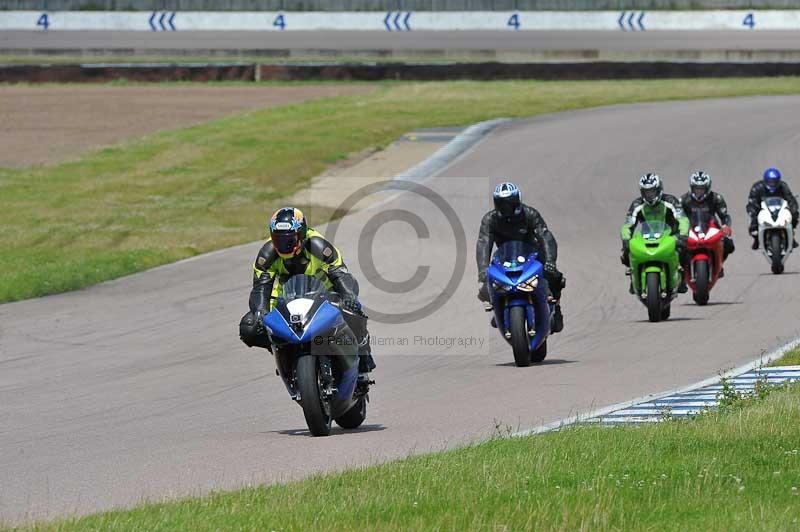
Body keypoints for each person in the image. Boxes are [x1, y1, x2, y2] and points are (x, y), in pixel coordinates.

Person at [238, 207, 376, 378]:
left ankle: (362, 357)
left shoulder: (319, 246)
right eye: (278, 240)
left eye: (288, 240)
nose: (283, 246)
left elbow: (340, 274)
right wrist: (260, 312)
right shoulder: (267, 254)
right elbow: (260, 288)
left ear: (301, 235)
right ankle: (283, 353)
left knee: (353, 311)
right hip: (285, 300)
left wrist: (348, 296)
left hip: (325, 296)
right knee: (250, 326)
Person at [476, 182, 565, 333]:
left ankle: (556, 307)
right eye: (501, 203)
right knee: (486, 286)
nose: (506, 207)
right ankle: (497, 306)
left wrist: (550, 261)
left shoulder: (530, 214)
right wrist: (482, 269)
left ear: (517, 200)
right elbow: (483, 243)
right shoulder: (490, 219)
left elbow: (546, 237)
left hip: (532, 255)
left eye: (509, 202)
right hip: (504, 258)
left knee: (554, 276)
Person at [620, 173, 690, 293]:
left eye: (652, 191)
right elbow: (628, 224)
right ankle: (633, 276)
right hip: (646, 236)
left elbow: (683, 219)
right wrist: (626, 239)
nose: (649, 195)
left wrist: (683, 235)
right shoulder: (637, 204)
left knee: (685, 249)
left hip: (670, 236)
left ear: (659, 189)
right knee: (627, 250)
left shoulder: (671, 201)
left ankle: (682, 278)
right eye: (646, 192)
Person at [680, 171, 735, 275]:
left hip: (711, 228)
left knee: (729, 244)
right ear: (692, 188)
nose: (699, 192)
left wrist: (726, 226)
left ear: (708, 188)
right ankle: (681, 269)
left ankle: (719, 264)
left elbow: (725, 216)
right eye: (697, 189)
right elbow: (677, 217)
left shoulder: (716, 198)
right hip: (690, 229)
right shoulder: (683, 200)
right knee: (678, 245)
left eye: (702, 189)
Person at [746, 167, 799, 250]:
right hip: (762, 209)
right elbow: (752, 201)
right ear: (765, 180)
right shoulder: (757, 187)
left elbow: (790, 198)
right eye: (770, 182)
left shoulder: (783, 186)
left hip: (780, 208)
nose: (772, 184)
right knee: (753, 225)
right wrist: (753, 211)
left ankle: (791, 235)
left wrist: (794, 208)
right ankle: (757, 239)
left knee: (795, 215)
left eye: (775, 182)